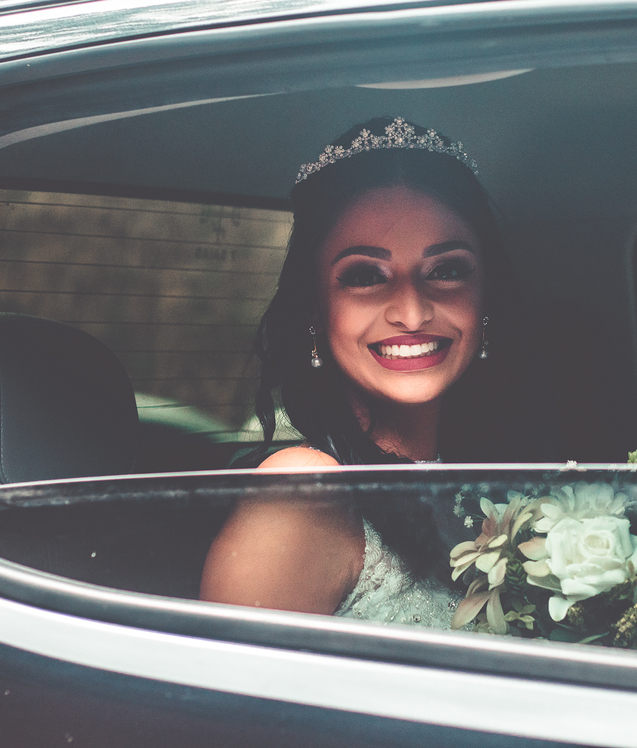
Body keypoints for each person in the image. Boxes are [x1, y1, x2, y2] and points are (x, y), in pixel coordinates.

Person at [199, 117, 525, 627]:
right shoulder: (304, 493)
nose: (413, 314)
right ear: (315, 309)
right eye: (364, 276)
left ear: (484, 298)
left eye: (447, 270)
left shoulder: (486, 486)